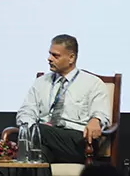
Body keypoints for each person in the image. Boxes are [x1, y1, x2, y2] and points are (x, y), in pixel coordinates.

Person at [16, 34, 111, 164]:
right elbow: (26, 111)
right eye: (50, 54)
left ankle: (35, 135)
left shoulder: (93, 83)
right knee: (38, 155)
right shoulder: (41, 82)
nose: (49, 59)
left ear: (71, 58)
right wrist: (28, 129)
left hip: (77, 140)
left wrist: (96, 120)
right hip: (46, 139)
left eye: (55, 56)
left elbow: (101, 113)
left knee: (38, 131)